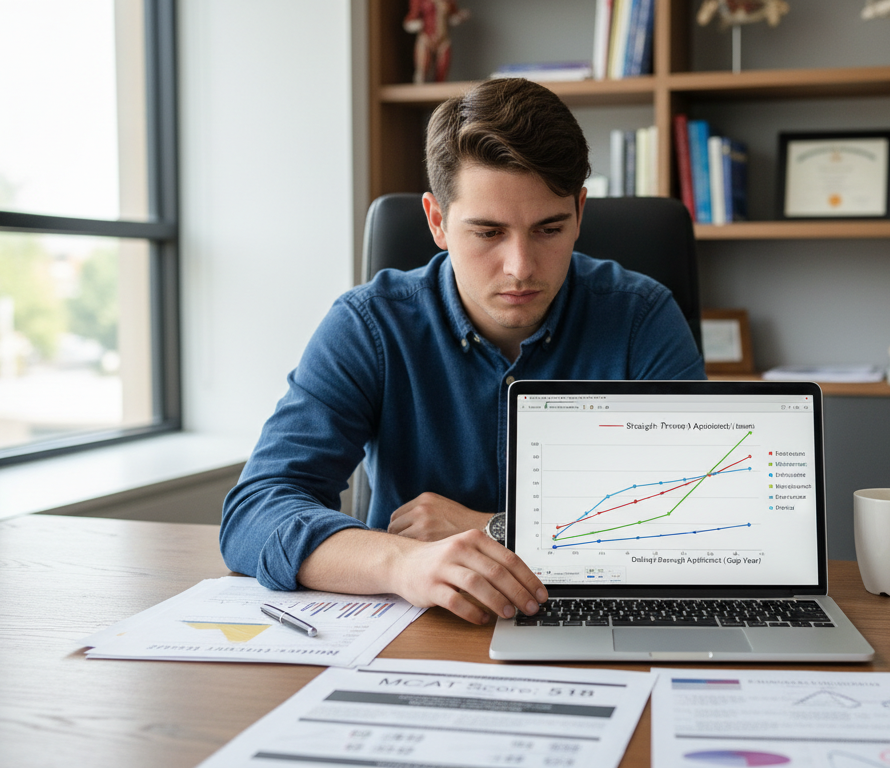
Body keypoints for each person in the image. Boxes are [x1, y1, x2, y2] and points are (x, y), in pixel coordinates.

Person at [220, 78, 706, 625]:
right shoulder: (369, 325)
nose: (520, 266)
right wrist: (404, 563)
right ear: (437, 221)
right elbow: (256, 510)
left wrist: (492, 528)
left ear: (580, 214)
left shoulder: (643, 317)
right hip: (412, 634)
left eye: (549, 228)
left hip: (602, 628)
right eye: (488, 232)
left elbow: (694, 523)